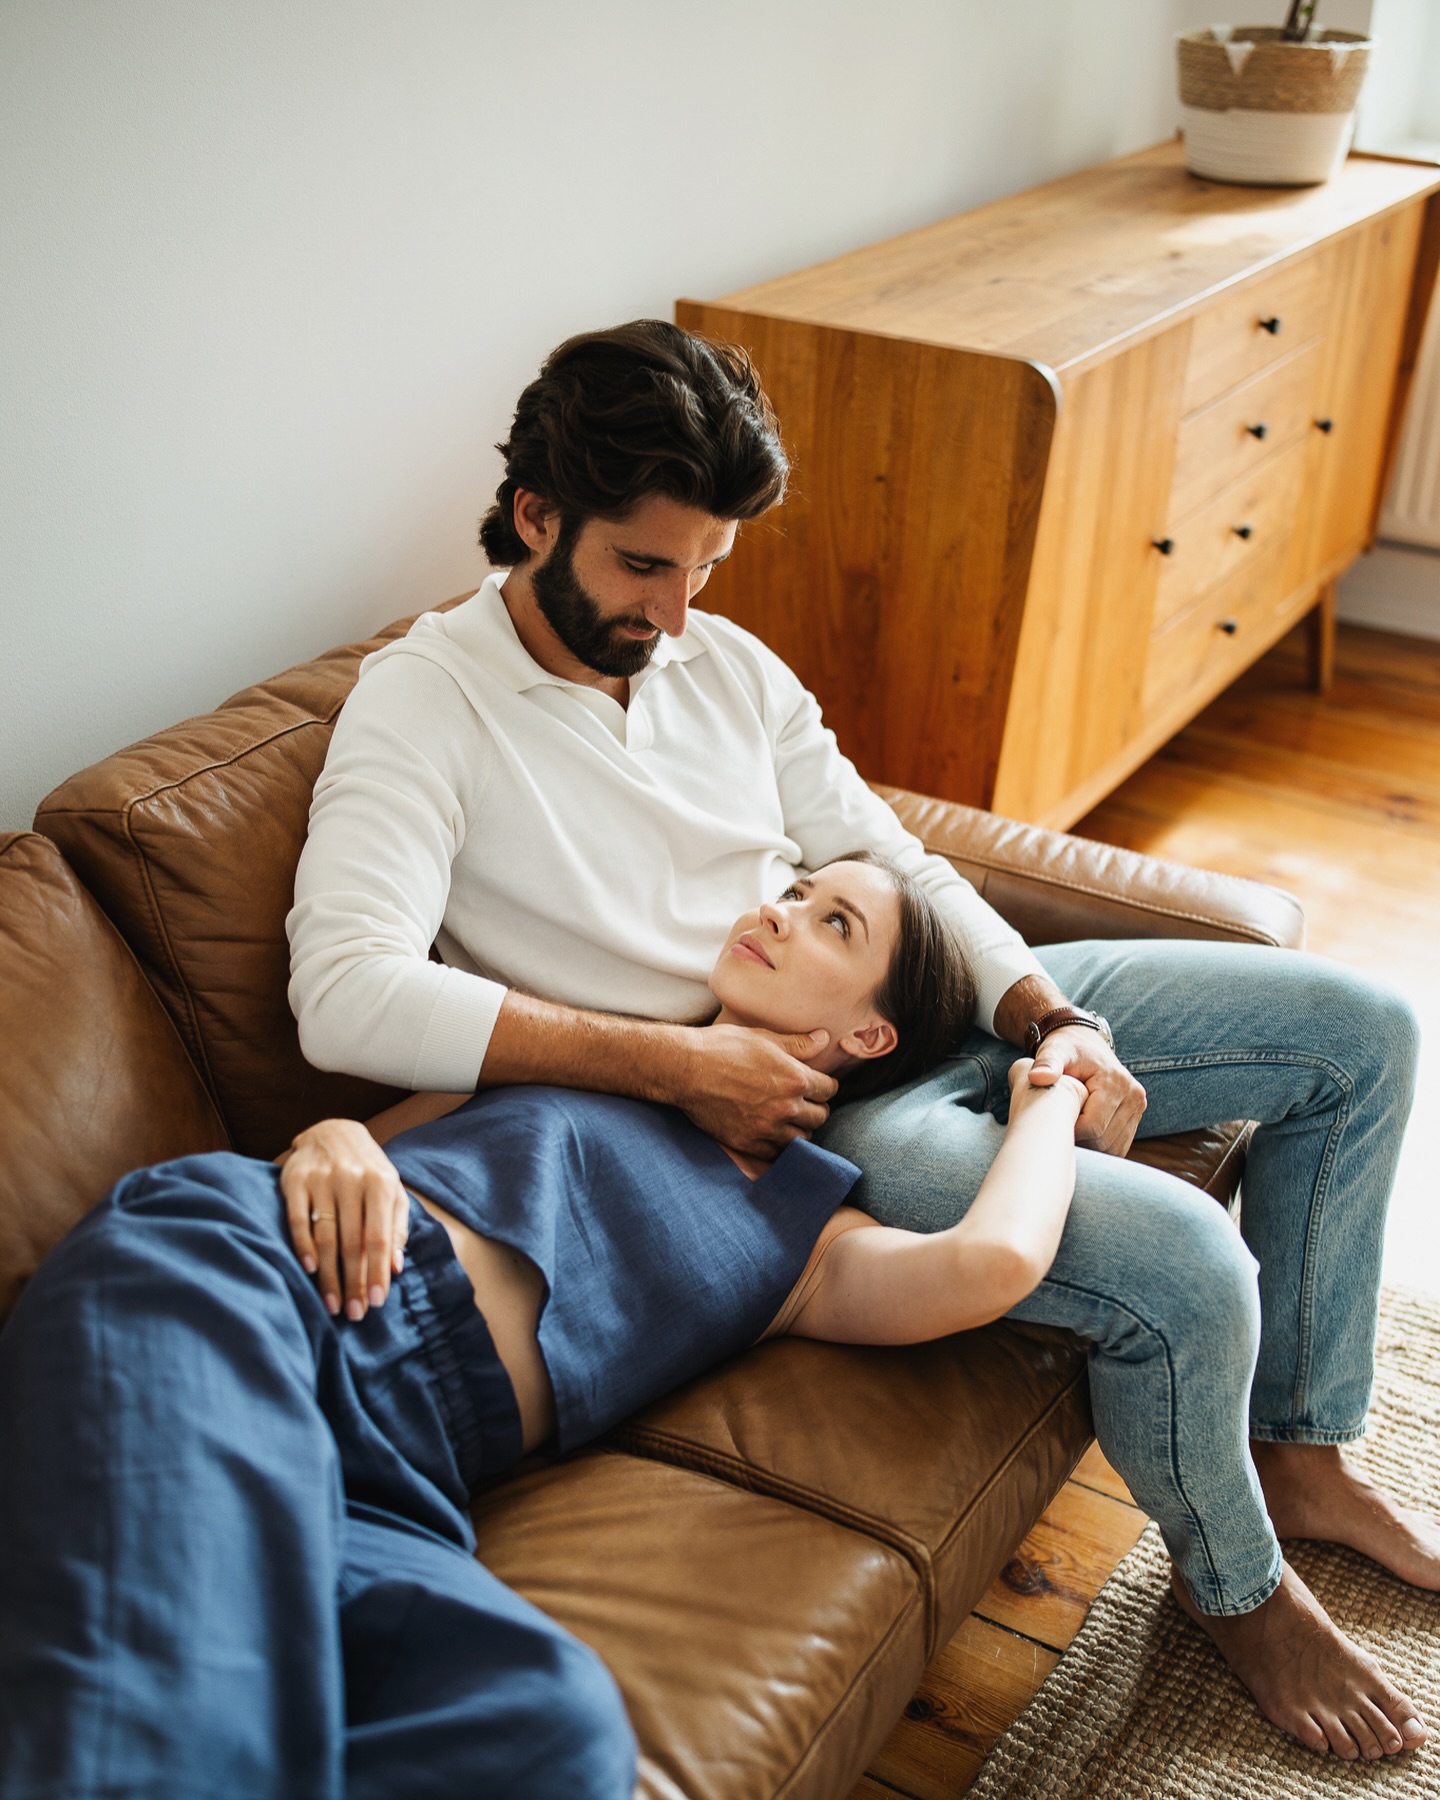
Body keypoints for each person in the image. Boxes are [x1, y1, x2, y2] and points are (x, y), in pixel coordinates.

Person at [285, 320, 1434, 1762]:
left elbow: (893, 857)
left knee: (1366, 1028)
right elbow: (345, 993)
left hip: (904, 995)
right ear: (537, 516)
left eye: (708, 569)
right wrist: (679, 1063)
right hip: (802, 1114)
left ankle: (1303, 1447)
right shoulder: (427, 704)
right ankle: (1238, 1589)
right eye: (648, 567)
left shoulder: (725, 663)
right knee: (1185, 1264)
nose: (682, 614)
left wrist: (1048, 1016)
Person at [1, 857, 1078, 1799]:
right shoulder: (600, 1044)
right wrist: (328, 1134)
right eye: (794, 891)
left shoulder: (811, 1238)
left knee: (546, 1726)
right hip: (241, 1286)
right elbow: (334, 1149)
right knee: (181, 1702)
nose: (783, 912)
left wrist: (1051, 1100)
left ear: (866, 1034)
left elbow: (993, 1261)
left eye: (834, 921)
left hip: (397, 1477)